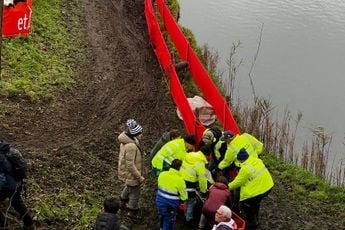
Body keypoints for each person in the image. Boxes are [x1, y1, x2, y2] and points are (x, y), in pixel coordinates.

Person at [228, 148, 274, 229]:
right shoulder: (256, 160)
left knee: (246, 204)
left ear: (241, 160)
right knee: (256, 203)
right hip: (268, 185)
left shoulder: (245, 169)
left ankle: (253, 222)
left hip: (259, 190)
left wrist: (227, 187)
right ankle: (256, 215)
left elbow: (237, 182)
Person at [0, 140, 34, 230]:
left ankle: (3, 226)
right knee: (18, 204)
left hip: (8, 186)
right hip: (18, 183)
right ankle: (29, 224)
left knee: (17, 203)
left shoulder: (1, 157)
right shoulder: (9, 149)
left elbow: (1, 179)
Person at [118, 119, 145, 218]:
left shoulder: (130, 140)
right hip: (132, 174)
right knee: (135, 194)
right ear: (135, 134)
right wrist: (139, 177)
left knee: (129, 186)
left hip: (128, 174)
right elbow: (130, 165)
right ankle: (132, 212)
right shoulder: (131, 146)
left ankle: (121, 204)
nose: (142, 135)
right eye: (140, 133)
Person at [180, 146, 210, 225]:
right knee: (191, 202)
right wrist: (204, 191)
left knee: (185, 200)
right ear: (207, 155)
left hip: (180, 182)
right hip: (189, 185)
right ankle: (188, 219)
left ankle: (185, 214)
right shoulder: (200, 163)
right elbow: (202, 179)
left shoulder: (189, 154)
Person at [156, 159, 187, 230]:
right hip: (170, 206)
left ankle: (161, 227)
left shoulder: (162, 174)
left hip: (159, 202)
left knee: (162, 216)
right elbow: (184, 196)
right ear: (179, 168)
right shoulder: (180, 180)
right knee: (169, 222)